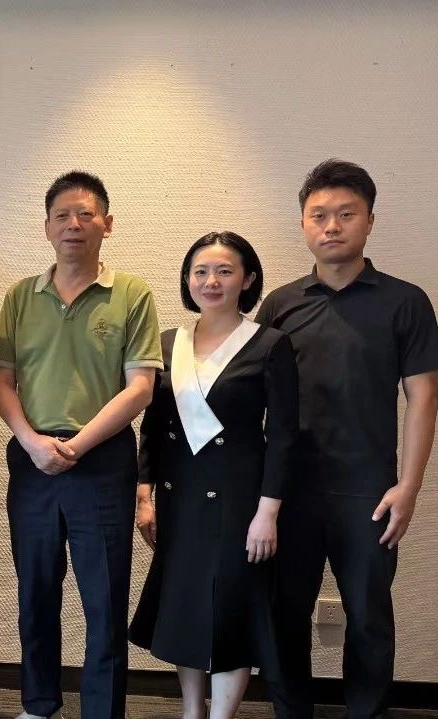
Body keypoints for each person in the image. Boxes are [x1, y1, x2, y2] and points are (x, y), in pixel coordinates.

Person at [258, 159, 438, 719]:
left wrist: (409, 487)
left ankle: (365, 712)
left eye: (346, 214)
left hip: (369, 490)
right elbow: (252, 398)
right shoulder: (280, 305)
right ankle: (291, 711)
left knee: (368, 616)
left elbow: (423, 399)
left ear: (369, 221)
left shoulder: (405, 301)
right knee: (284, 611)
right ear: (302, 224)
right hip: (290, 488)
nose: (332, 226)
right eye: (319, 215)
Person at [0, 170, 162, 719]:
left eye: (86, 214)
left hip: (102, 461)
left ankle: (101, 712)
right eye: (62, 215)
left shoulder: (131, 293)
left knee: (104, 598)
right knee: (36, 592)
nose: (73, 224)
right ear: (46, 227)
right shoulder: (21, 297)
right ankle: (39, 704)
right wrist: (32, 442)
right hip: (32, 460)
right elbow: (2, 381)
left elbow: (140, 387)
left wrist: (77, 446)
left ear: (107, 224)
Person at [129, 232, 299, 719]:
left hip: (241, 501)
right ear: (187, 280)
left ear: (247, 279)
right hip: (178, 496)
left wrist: (268, 513)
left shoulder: (270, 344)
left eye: (225, 271)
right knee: (184, 605)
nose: (211, 281)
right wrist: (145, 495)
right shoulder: (168, 343)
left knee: (230, 609)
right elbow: (152, 427)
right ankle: (192, 710)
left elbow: (283, 435)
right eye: (200, 271)